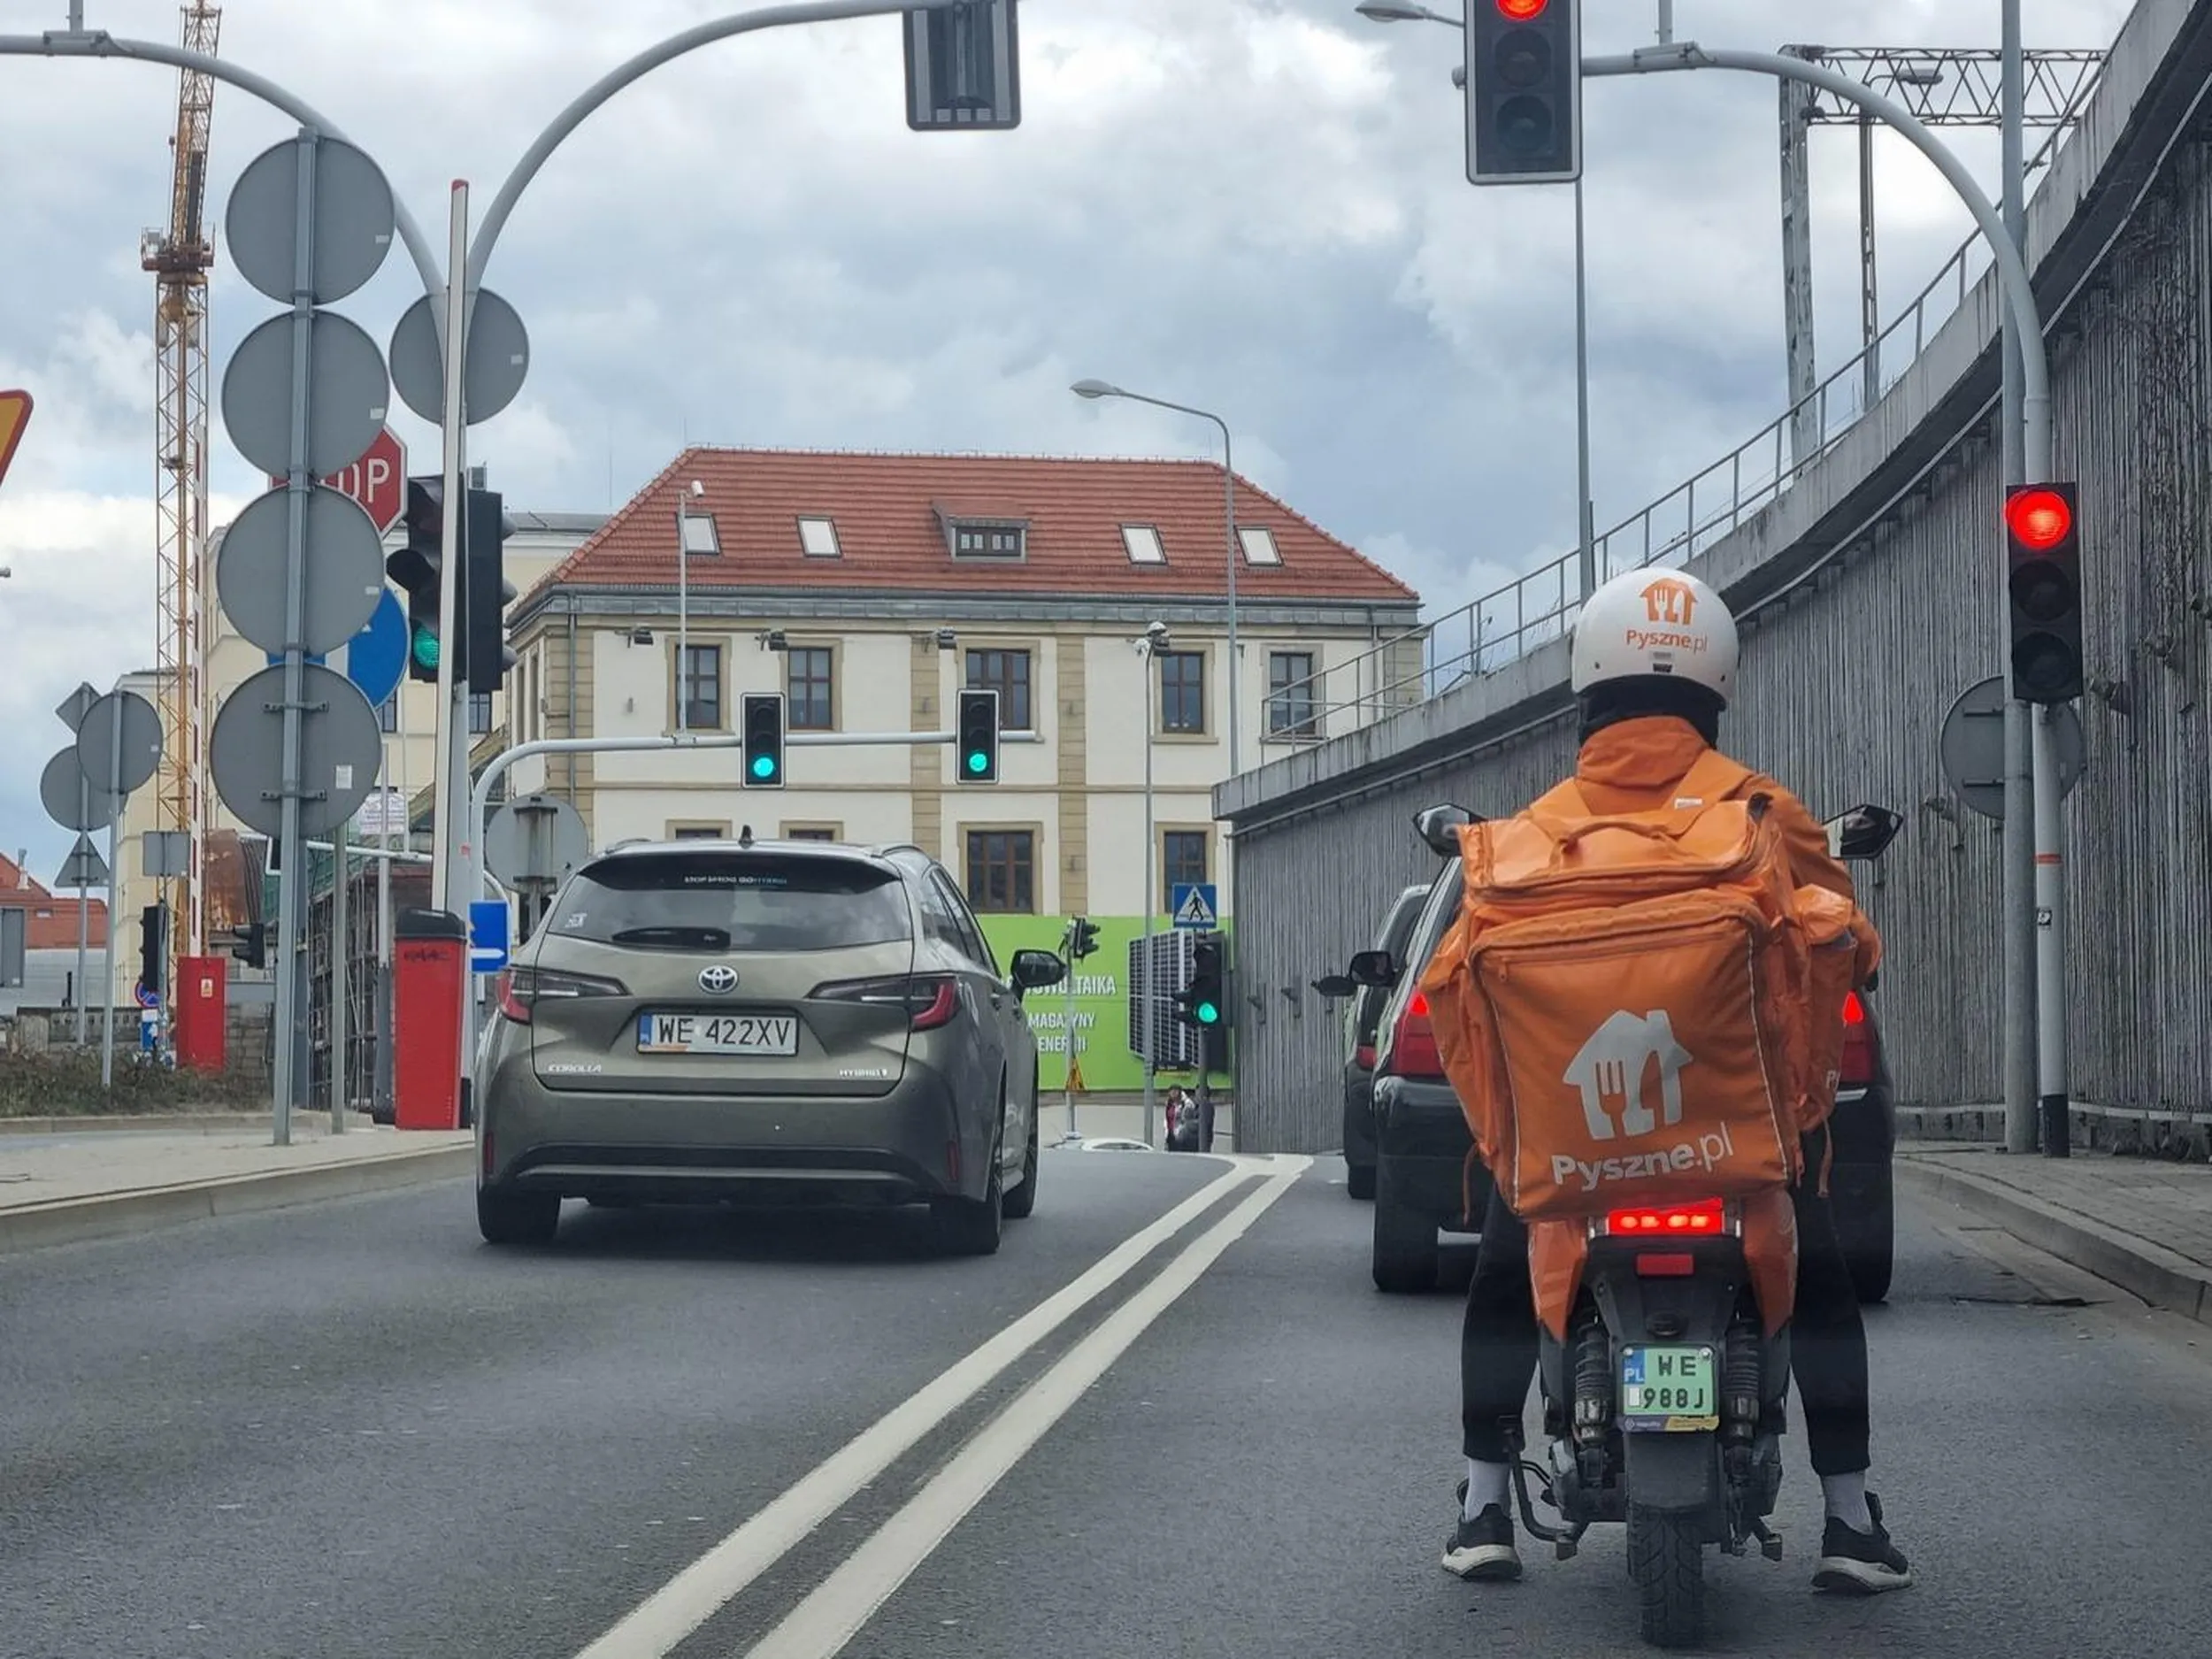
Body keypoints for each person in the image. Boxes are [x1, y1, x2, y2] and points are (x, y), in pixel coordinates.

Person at [1440, 567, 1914, 1597]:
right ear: (1715, 685)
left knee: (1503, 1266)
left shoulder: (1529, 836)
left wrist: (1505, 1143)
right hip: (1731, 1154)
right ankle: (1848, 1520)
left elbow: (1457, 995)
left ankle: (1482, 1504)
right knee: (1822, 1283)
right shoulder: (1760, 811)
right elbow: (1845, 935)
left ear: (1585, 686)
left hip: (1579, 1161)